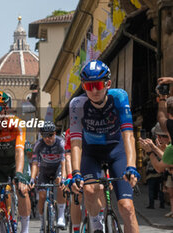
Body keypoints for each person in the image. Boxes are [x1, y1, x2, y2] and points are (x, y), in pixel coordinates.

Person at [69, 60, 140, 233]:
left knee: (127, 208)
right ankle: (96, 225)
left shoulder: (119, 97)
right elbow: (76, 141)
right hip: (91, 153)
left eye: (98, 85)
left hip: (116, 151)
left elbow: (128, 135)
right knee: (91, 190)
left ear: (107, 83)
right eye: (88, 86)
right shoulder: (77, 105)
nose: (94, 90)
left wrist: (131, 165)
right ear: (83, 87)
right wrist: (76, 172)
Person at [0, 90, 31, 233]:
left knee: (21, 190)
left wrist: (19, 174)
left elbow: (19, 151)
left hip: (15, 162)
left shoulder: (16, 123)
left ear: (6, 108)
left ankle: (25, 229)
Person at [30, 121, 66, 232]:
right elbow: (35, 163)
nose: (47, 138)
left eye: (50, 135)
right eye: (44, 135)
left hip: (57, 168)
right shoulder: (39, 144)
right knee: (41, 196)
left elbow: (64, 163)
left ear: (55, 133)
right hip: (44, 170)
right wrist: (32, 178)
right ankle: (42, 222)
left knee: (60, 185)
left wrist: (63, 178)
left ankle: (60, 216)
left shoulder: (61, 143)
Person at [63, 128, 82, 233]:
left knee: (99, 189)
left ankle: (98, 219)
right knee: (77, 195)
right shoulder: (71, 131)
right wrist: (70, 176)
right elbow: (68, 156)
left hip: (92, 163)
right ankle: (76, 230)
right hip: (76, 165)